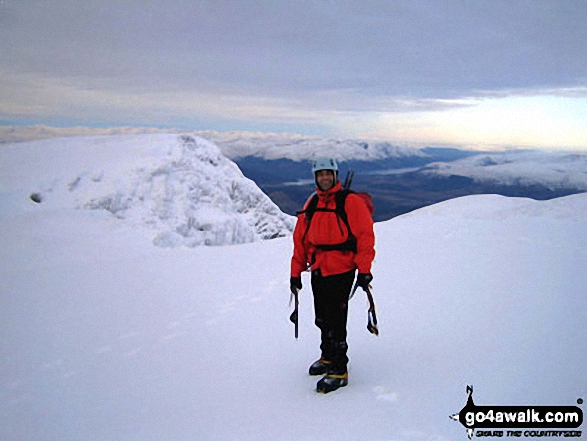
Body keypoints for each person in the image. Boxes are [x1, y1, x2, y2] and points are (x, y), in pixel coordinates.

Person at [290, 157, 375, 393]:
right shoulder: (313, 202)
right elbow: (301, 241)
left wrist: (365, 270)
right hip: (318, 267)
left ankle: (339, 369)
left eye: (328, 173)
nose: (324, 178)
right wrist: (295, 272)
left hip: (342, 268)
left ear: (335, 175)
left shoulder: (350, 202)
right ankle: (327, 356)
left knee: (336, 321)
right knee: (322, 317)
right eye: (320, 174)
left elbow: (365, 237)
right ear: (315, 177)